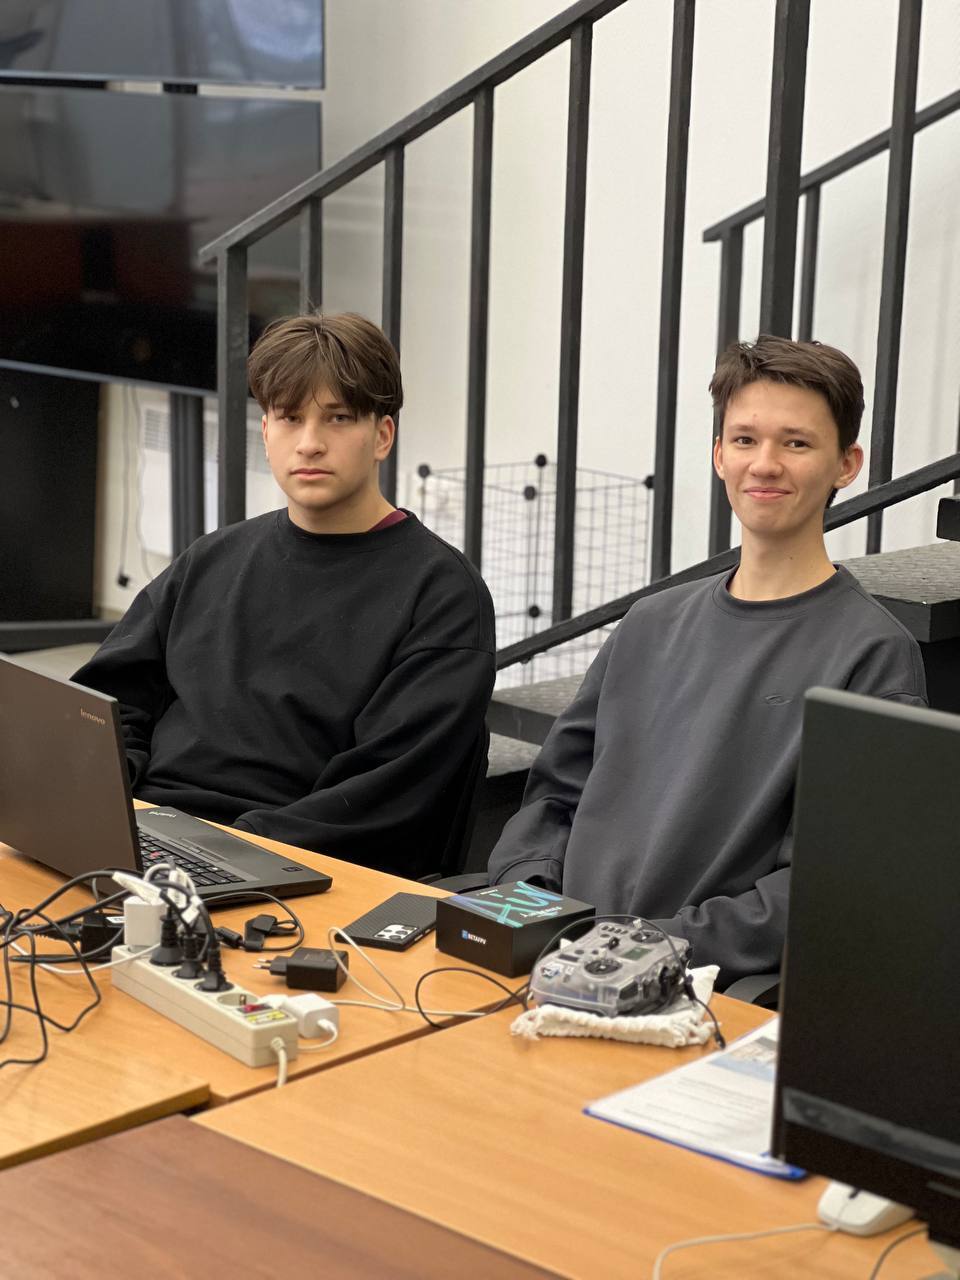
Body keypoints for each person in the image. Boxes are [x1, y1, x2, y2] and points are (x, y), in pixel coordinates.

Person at [487, 335, 926, 985]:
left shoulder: (873, 656)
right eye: (745, 439)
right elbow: (554, 796)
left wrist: (644, 948)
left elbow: (830, 882)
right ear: (719, 454)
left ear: (846, 464)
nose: (765, 464)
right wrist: (533, 904)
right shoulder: (649, 623)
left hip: (691, 991)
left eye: (796, 443)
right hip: (550, 958)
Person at [75, 312, 495, 879]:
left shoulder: (442, 596)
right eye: (290, 417)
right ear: (266, 431)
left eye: (338, 418)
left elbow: (388, 794)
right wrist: (110, 807)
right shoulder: (212, 559)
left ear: (382, 436)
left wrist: (228, 852)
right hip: (146, 838)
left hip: (294, 872)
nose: (310, 443)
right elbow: (106, 705)